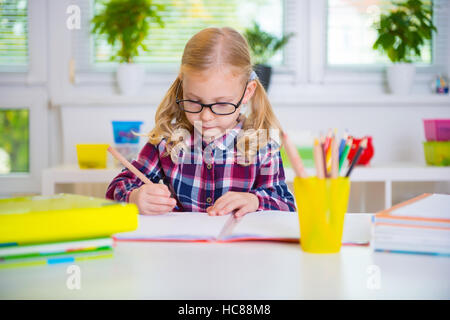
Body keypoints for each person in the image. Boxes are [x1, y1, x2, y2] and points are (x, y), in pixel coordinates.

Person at [106, 27, 296, 217]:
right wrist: (135, 197)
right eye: (194, 101)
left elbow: (285, 204)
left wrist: (255, 200)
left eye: (221, 104)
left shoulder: (262, 145)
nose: (206, 117)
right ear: (183, 86)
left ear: (247, 92)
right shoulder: (167, 141)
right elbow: (116, 189)